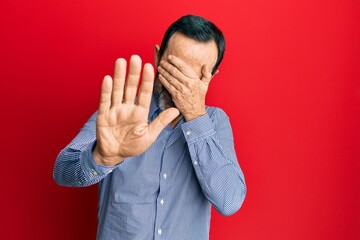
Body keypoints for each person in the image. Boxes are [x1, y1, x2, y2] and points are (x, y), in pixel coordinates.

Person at [53, 14, 246, 240]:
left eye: (194, 75)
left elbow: (230, 201)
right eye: (174, 67)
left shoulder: (215, 122)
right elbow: (63, 171)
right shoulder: (121, 113)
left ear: (211, 76)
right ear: (157, 57)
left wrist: (195, 114)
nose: (180, 84)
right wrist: (102, 158)